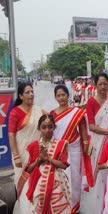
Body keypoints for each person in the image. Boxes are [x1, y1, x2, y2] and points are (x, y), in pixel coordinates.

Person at [50, 84, 93, 213]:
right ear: (55, 97)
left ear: (68, 95)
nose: (61, 98)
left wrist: (85, 144)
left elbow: (83, 129)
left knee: (74, 178)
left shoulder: (77, 112)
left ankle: (74, 206)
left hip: (74, 150)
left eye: (63, 95)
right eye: (58, 95)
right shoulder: (52, 114)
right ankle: (62, 206)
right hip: (58, 150)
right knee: (59, 178)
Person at [81, 73, 108, 214]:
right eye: (100, 84)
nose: (103, 87)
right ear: (95, 85)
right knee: (99, 174)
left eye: (105, 84)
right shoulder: (91, 102)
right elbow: (91, 126)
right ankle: (98, 208)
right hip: (98, 144)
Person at [8, 83, 45, 213]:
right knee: (24, 186)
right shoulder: (15, 112)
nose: (31, 95)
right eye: (28, 92)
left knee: (37, 185)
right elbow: (11, 135)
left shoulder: (39, 110)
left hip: (37, 155)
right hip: (22, 156)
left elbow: (52, 121)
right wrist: (16, 156)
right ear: (21, 96)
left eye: (32, 92)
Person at [25, 114, 71, 213]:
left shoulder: (61, 144)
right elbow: (29, 169)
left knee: (57, 208)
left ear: (54, 127)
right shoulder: (34, 146)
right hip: (39, 182)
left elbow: (64, 165)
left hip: (56, 180)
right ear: (39, 128)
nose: (47, 130)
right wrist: (39, 160)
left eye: (50, 127)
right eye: (44, 127)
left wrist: (48, 158)